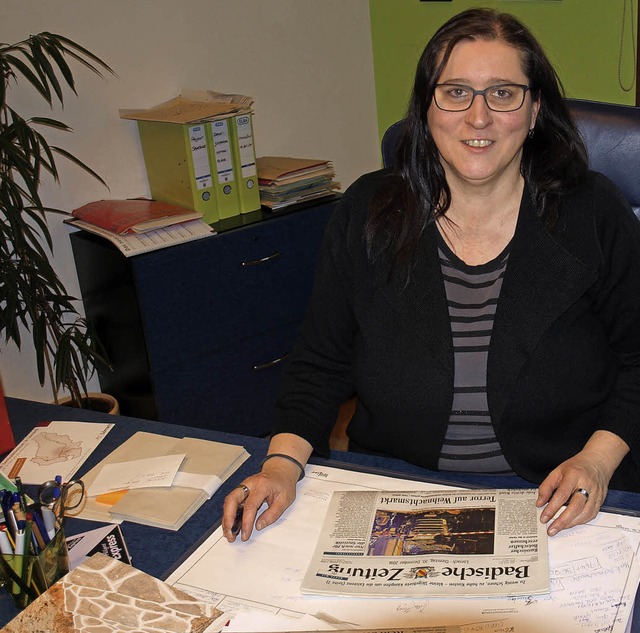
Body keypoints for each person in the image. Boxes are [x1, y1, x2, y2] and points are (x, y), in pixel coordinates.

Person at [223, 8, 640, 543]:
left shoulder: (592, 213)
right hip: (401, 493)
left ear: (534, 110)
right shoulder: (369, 211)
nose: (479, 117)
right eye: (456, 92)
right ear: (426, 108)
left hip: (556, 500)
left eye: (504, 94)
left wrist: (597, 463)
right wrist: (281, 465)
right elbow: (322, 361)